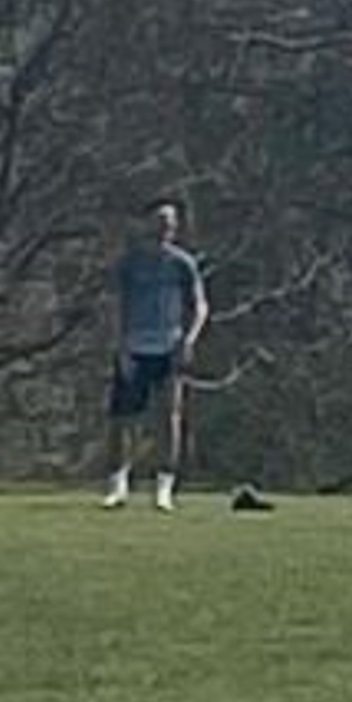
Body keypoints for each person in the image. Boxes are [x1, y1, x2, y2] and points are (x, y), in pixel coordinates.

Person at [103, 200, 209, 513]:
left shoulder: (182, 264)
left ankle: (164, 488)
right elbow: (115, 306)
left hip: (168, 347)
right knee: (123, 420)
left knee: (169, 418)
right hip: (135, 347)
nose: (165, 228)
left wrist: (188, 340)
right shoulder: (129, 263)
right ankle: (117, 485)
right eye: (159, 221)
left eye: (170, 223)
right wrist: (120, 346)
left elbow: (200, 306)